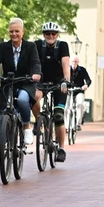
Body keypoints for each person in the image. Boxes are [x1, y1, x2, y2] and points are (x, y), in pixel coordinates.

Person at [0, 18, 41, 165]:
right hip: (8, 84)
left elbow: (35, 62)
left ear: (23, 32)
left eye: (17, 31)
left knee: (22, 100)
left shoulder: (30, 46)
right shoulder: (4, 47)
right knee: (3, 116)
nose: (14, 34)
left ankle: (27, 127)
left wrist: (36, 73)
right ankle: (0, 151)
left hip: (26, 83)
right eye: (11, 31)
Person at [35, 22, 71, 163]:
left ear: (57, 35)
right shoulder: (37, 45)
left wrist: (66, 80)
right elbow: (33, 62)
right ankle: (39, 121)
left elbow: (65, 64)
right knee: (34, 98)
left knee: (58, 115)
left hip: (59, 83)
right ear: (44, 35)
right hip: (41, 81)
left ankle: (61, 148)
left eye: (53, 34)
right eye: (47, 34)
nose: (50, 36)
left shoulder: (62, 46)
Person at [68, 56, 92, 125]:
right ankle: (66, 125)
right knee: (66, 107)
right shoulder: (67, 69)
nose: (74, 63)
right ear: (70, 62)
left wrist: (86, 85)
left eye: (76, 62)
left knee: (80, 104)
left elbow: (88, 80)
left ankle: (78, 123)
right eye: (73, 61)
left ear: (78, 62)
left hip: (79, 90)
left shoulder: (82, 70)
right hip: (69, 91)